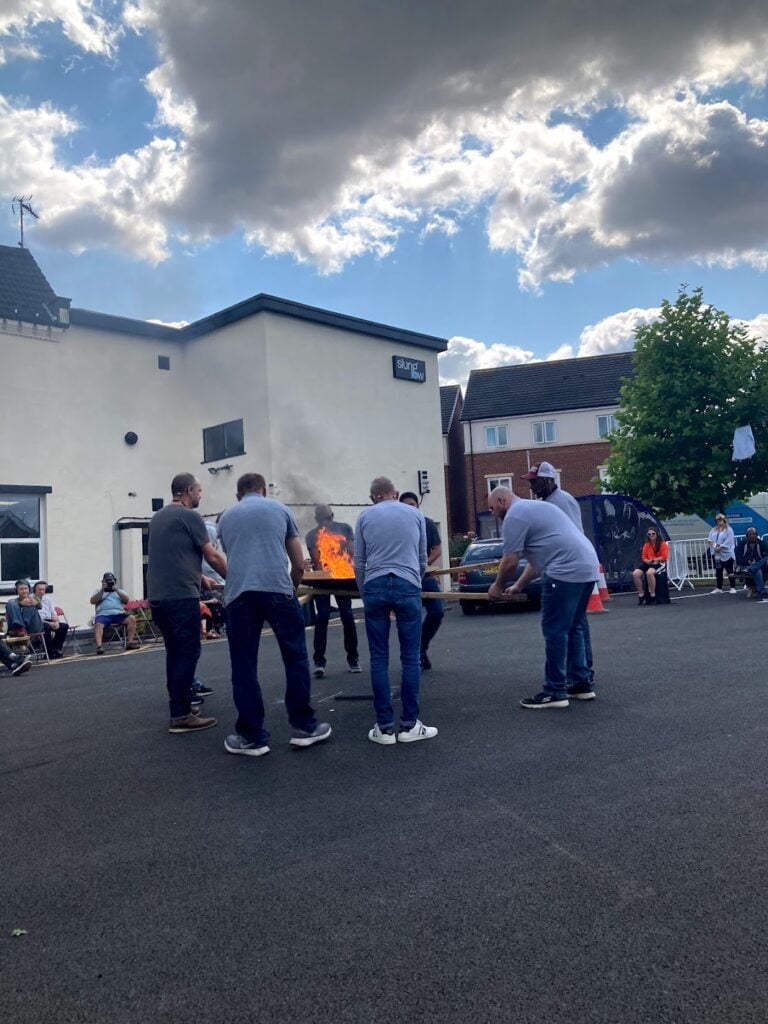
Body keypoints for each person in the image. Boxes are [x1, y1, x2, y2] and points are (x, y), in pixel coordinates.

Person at [218, 473, 331, 756]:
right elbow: (297, 561)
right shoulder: (279, 509)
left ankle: (251, 736)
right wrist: (291, 588)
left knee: (243, 665)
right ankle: (305, 727)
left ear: (238, 494)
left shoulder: (226, 517)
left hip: (239, 594)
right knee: (295, 657)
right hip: (277, 590)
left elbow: (229, 555)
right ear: (264, 490)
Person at [487, 486, 599, 708]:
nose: (492, 513)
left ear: (502, 500)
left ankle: (555, 691)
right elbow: (536, 560)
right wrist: (518, 585)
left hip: (564, 571)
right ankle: (581, 684)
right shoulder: (537, 507)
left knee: (555, 630)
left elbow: (509, 561)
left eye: (491, 508)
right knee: (574, 626)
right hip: (587, 567)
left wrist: (497, 586)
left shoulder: (514, 516)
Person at [354, 476, 437, 744]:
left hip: (375, 585)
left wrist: (365, 592)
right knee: (410, 657)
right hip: (407, 584)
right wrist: (413, 579)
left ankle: (385, 728)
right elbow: (422, 557)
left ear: (372, 497)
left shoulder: (364, 517)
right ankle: (410, 724)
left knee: (379, 658)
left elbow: (359, 562)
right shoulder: (414, 514)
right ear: (395, 493)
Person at [147, 473, 227, 733]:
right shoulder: (191, 517)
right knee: (189, 652)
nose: (201, 495)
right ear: (188, 490)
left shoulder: (158, 517)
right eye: (199, 490)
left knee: (175, 652)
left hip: (159, 598)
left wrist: (199, 577)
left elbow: (172, 556)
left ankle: (180, 706)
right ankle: (180, 715)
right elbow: (213, 556)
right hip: (180, 597)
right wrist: (236, 580)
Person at [305, 504, 360, 676]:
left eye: (327, 518)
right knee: (322, 616)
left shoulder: (345, 528)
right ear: (316, 520)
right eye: (322, 520)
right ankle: (319, 662)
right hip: (323, 580)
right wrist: (326, 570)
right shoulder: (312, 535)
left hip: (342, 577)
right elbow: (318, 561)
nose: (325, 522)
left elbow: (351, 552)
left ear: (332, 515)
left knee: (347, 615)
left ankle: (353, 659)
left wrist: (342, 561)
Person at [398, 492, 444, 669]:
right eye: (406, 506)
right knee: (412, 616)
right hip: (404, 578)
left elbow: (437, 549)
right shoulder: (396, 527)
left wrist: (423, 565)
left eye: (413, 505)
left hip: (424, 575)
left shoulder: (427, 523)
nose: (410, 508)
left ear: (418, 506)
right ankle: (413, 655)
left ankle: (421, 647)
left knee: (437, 612)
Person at [522, 461, 582, 529]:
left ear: (547, 480)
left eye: (534, 482)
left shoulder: (564, 501)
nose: (531, 487)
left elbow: (574, 532)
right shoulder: (547, 501)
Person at [90, 573, 140, 655]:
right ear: (103, 582)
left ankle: (130, 643)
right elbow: (92, 601)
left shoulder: (120, 591)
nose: (109, 583)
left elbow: (126, 600)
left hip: (118, 614)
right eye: (107, 581)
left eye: (111, 581)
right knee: (98, 624)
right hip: (103, 614)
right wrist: (102, 590)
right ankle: (99, 647)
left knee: (132, 618)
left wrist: (116, 590)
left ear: (115, 581)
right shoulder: (98, 591)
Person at [632, 529, 669, 605]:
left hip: (659, 563)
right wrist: (647, 561)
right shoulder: (646, 545)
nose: (651, 535)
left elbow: (664, 557)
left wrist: (656, 559)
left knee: (649, 573)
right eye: (649, 534)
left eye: (653, 533)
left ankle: (652, 595)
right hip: (649, 562)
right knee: (635, 573)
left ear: (657, 534)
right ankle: (641, 594)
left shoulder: (662, 544)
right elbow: (643, 556)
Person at [33, 580, 69, 658]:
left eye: (43, 590)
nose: (42, 591)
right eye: (40, 589)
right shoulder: (32, 600)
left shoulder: (47, 599)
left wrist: (56, 621)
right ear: (35, 590)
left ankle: (56, 648)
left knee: (64, 626)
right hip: (38, 622)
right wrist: (50, 623)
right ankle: (49, 652)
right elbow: (36, 618)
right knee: (46, 627)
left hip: (49, 620)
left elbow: (53, 612)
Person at [735, 527, 768, 602]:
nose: (752, 536)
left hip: (760, 566)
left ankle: (752, 568)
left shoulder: (762, 543)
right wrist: (748, 562)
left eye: (753, 534)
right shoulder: (742, 544)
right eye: (750, 534)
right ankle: (762, 593)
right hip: (745, 566)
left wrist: (756, 563)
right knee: (757, 570)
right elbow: (738, 559)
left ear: (757, 535)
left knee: (759, 565)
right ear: (747, 536)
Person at [708, 513, 737, 594]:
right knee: (718, 571)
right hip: (717, 554)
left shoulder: (729, 529)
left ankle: (733, 587)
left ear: (724, 520)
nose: (719, 521)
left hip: (727, 553)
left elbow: (729, 540)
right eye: (717, 520)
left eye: (720, 519)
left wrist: (720, 547)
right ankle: (719, 588)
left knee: (730, 570)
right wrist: (714, 547)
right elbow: (710, 539)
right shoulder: (713, 529)